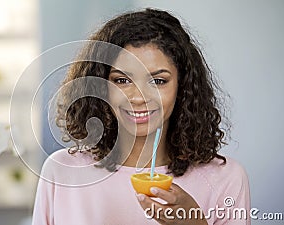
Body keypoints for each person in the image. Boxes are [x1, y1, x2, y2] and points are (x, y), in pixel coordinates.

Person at [32, 8, 250, 225]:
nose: (139, 98)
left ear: (183, 88)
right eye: (122, 80)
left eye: (158, 81)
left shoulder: (225, 179)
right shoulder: (61, 172)